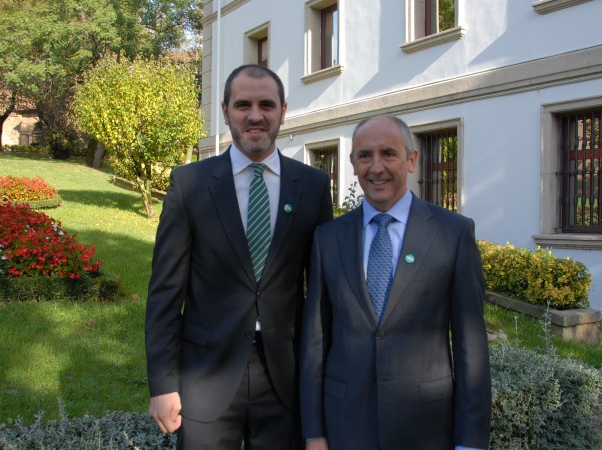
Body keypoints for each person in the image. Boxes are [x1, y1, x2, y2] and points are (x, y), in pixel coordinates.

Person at [146, 64, 333, 449]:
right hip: (206, 379)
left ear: (283, 110)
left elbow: (321, 294)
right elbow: (165, 294)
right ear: (226, 111)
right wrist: (163, 384)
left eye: (266, 104)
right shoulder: (190, 184)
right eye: (243, 104)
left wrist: (323, 380)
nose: (255, 115)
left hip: (286, 378)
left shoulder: (313, 186)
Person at [299, 115, 491, 450]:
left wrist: (471, 442)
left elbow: (470, 345)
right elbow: (315, 342)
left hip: (426, 428)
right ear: (353, 164)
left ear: (411, 159)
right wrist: (314, 432)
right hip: (345, 425)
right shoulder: (327, 239)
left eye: (388, 154)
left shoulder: (453, 234)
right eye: (365, 156)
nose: (376, 168)